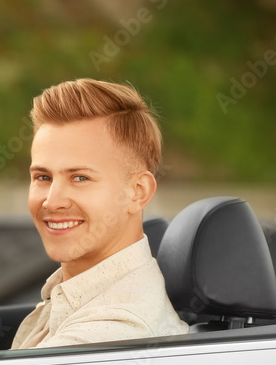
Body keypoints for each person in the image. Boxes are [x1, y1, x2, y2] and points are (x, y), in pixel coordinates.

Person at [11, 78, 189, 349]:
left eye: (80, 178)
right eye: (43, 176)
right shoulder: (71, 297)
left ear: (138, 192)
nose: (52, 201)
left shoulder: (113, 332)